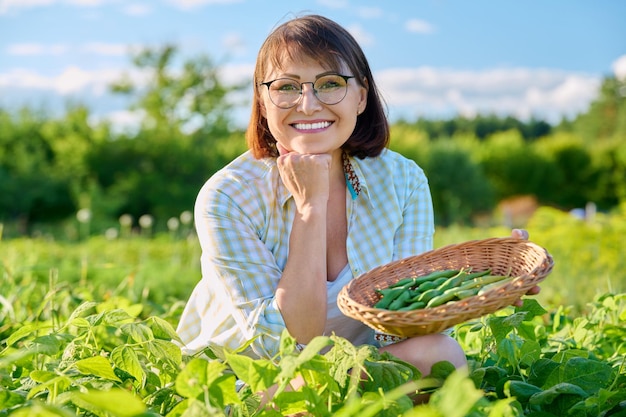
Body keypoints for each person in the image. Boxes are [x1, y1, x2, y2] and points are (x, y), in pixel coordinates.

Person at [176, 14, 538, 379]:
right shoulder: (228, 196)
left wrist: (479, 285)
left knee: (438, 354)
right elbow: (285, 341)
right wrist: (310, 206)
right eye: (286, 87)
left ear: (361, 97)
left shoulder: (403, 181)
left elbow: (404, 316)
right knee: (299, 394)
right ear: (262, 99)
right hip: (251, 376)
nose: (308, 104)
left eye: (330, 83)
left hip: (351, 367)